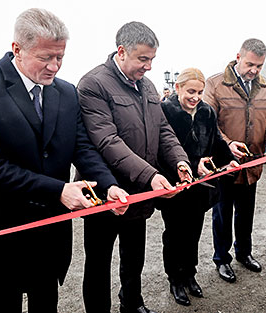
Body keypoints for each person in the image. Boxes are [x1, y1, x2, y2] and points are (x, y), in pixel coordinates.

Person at [0, 8, 128, 313]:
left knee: (46, 302)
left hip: (50, 232)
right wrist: (57, 190)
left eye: (60, 57)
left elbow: (82, 148)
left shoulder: (67, 92)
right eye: (46, 57)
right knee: (3, 304)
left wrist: (108, 185)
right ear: (17, 49)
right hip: (3, 229)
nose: (55, 66)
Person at [77, 21, 191, 313]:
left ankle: (132, 302)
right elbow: (107, 141)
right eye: (143, 59)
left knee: (134, 255)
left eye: (152, 59)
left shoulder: (148, 86)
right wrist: (151, 175)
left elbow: (163, 129)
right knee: (99, 262)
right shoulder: (93, 84)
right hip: (104, 192)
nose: (149, 67)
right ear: (121, 51)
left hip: (139, 191)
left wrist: (180, 160)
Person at [156, 68, 238, 306]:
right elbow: (162, 149)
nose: (196, 97)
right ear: (178, 88)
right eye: (191, 91)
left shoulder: (206, 112)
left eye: (200, 92)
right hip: (176, 187)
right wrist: (192, 165)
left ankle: (190, 275)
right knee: (174, 235)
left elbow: (216, 142)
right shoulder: (165, 111)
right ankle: (175, 279)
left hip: (202, 187)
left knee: (193, 233)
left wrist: (227, 160)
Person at [203, 38, 266, 283]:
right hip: (225, 165)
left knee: (246, 213)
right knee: (222, 215)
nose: (254, 70)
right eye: (250, 64)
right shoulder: (215, 84)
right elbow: (208, 122)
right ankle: (222, 259)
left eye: (259, 66)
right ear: (238, 57)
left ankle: (244, 253)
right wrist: (227, 145)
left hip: (253, 164)